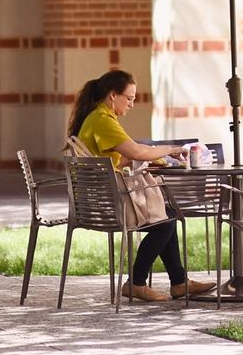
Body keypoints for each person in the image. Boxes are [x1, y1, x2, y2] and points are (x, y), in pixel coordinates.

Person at [67, 69, 214, 301]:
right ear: (113, 95)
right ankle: (136, 282)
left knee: (167, 215)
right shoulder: (102, 120)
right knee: (165, 222)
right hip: (108, 205)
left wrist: (153, 157)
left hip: (98, 200)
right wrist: (172, 150)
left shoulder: (98, 117)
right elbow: (135, 150)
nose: (132, 104)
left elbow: (121, 158)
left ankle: (179, 282)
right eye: (130, 98)